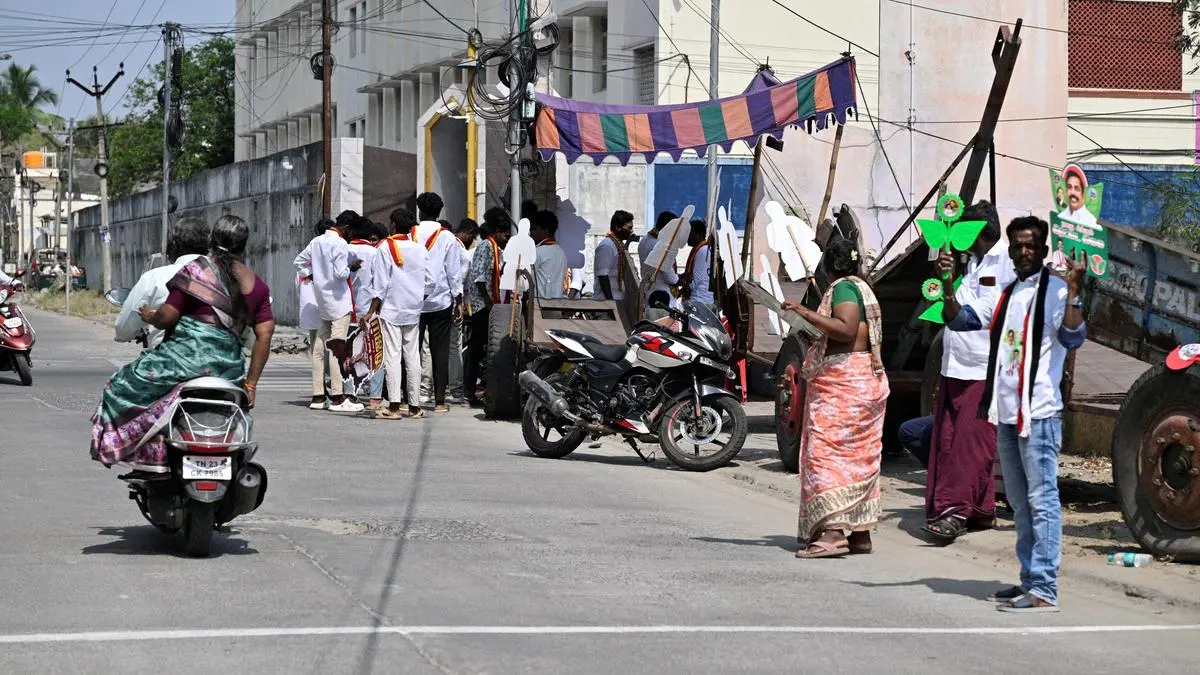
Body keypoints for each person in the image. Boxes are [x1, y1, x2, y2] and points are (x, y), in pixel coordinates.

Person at [942, 215, 1087, 613]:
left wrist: (1075, 291)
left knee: (1043, 501)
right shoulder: (1007, 292)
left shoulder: (1056, 291)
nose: (1024, 251)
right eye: (1018, 245)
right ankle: (1028, 580)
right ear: (1010, 249)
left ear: (1042, 250)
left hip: (1038, 413)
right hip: (1006, 413)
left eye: (1031, 245)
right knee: (1021, 505)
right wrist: (947, 288)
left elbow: (1074, 335)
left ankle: (1045, 588)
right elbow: (963, 319)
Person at [90, 215, 275, 477]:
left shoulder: (195, 270)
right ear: (244, 246)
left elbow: (167, 319)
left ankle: (142, 454)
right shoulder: (258, 285)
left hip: (181, 361)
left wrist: (150, 315)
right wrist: (251, 384)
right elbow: (265, 335)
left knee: (120, 386)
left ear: (210, 240)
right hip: (228, 369)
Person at [780, 238, 889, 559]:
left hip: (845, 387)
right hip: (861, 383)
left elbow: (845, 328)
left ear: (827, 268)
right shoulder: (861, 286)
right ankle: (859, 533)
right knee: (858, 459)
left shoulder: (842, 288)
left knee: (827, 456)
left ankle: (831, 533)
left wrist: (803, 311)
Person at [923, 200, 1015, 544]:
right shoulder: (974, 264)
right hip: (956, 366)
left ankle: (955, 511)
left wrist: (948, 287)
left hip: (983, 367)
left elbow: (975, 315)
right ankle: (979, 508)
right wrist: (946, 282)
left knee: (970, 443)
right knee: (948, 439)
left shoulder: (1004, 265)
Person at [293, 211, 363, 413]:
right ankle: (337, 397)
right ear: (347, 228)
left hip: (322, 301)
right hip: (339, 302)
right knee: (337, 348)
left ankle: (317, 396)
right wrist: (352, 267)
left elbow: (299, 262)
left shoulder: (316, 241)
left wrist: (316, 276)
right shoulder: (340, 244)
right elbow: (341, 273)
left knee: (318, 349)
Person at [362, 209, 427, 420]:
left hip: (391, 309)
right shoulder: (419, 249)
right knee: (412, 357)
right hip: (413, 309)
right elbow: (430, 281)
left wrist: (370, 312)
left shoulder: (385, 249)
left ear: (392, 224)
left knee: (392, 357)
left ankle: (394, 406)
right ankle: (415, 406)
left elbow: (379, 286)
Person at [115, 217, 211, 349]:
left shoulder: (156, 277)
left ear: (174, 244)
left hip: (168, 360)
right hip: (221, 360)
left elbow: (124, 326)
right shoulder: (226, 277)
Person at [414, 192, 463, 413]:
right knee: (440, 350)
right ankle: (440, 401)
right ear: (439, 212)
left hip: (413, 299)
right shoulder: (448, 237)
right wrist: (458, 299)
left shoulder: (410, 233)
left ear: (420, 211)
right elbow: (454, 271)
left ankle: (410, 398)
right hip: (441, 300)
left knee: (412, 349)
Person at [464, 207, 511, 407]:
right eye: (504, 232)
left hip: (491, 304)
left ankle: (481, 388)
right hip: (483, 305)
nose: (507, 236)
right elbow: (480, 278)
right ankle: (469, 391)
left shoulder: (497, 249)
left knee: (485, 349)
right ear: (496, 231)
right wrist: (489, 301)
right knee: (477, 348)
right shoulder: (486, 247)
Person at [347, 219, 385, 408]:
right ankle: (375, 396)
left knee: (349, 353)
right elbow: (381, 283)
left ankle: (350, 394)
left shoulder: (344, 250)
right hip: (371, 309)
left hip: (348, 309)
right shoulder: (375, 252)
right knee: (376, 351)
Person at [449, 218, 479, 402]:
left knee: (431, 347)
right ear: (467, 234)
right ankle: (456, 387)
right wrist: (461, 303)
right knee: (454, 346)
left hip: (435, 303)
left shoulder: (445, 243)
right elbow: (460, 280)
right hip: (454, 303)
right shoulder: (462, 252)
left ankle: (429, 387)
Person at [638, 211, 680, 305]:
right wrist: (681, 280)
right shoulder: (661, 245)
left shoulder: (645, 239)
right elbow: (670, 278)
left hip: (649, 292)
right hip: (663, 297)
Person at [594, 210, 635, 301]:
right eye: (629, 228)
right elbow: (603, 276)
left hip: (618, 300)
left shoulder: (619, 246)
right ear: (618, 227)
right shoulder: (607, 246)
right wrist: (610, 303)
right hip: (606, 303)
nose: (632, 231)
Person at [532, 210, 569, 300]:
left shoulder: (538, 252)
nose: (532, 233)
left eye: (535, 229)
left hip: (541, 306)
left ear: (544, 231)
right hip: (557, 304)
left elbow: (526, 280)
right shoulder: (561, 252)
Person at [680, 219, 714, 308]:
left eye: (690, 234)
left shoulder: (703, 251)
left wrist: (684, 287)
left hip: (699, 300)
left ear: (698, 234)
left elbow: (697, 278)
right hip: (700, 300)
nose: (687, 238)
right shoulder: (700, 249)